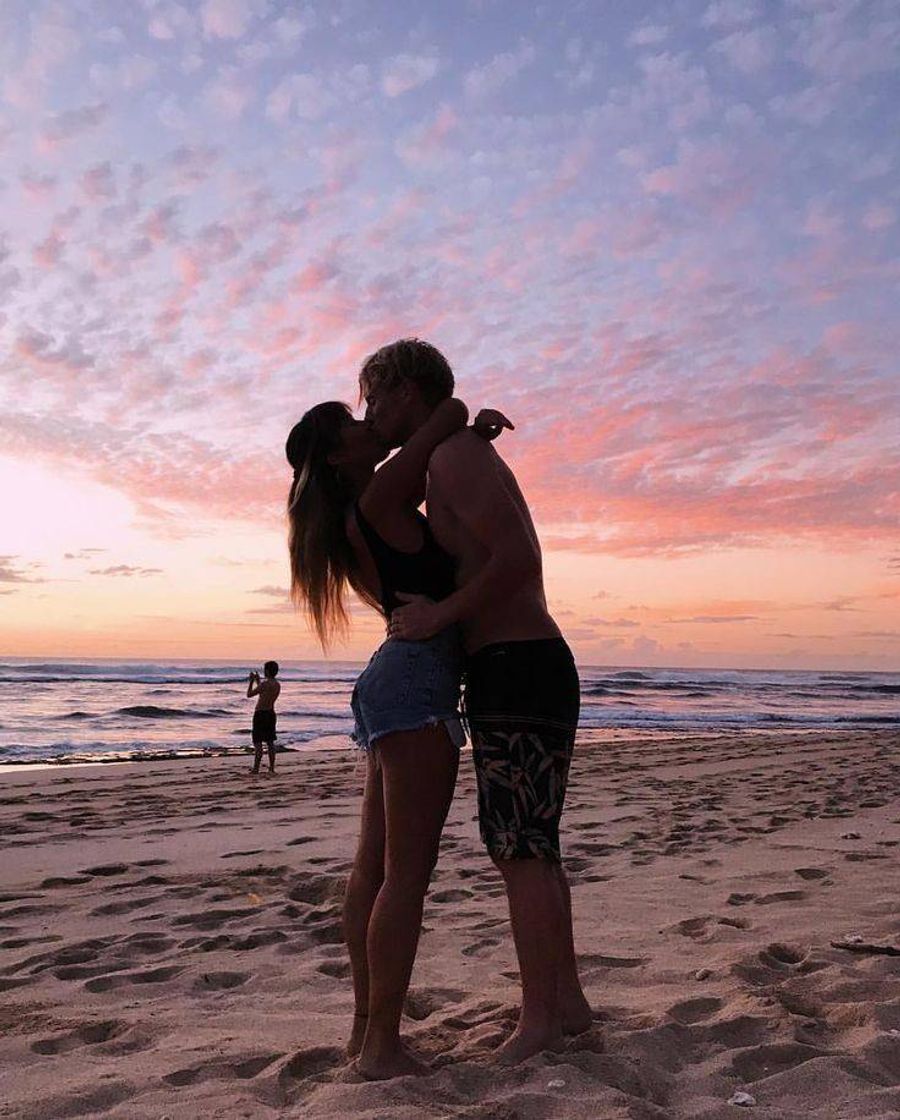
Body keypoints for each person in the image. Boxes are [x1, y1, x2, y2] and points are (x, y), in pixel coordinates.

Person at [362, 338, 591, 1066]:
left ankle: (540, 1021)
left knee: (520, 852)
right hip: (525, 666)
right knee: (534, 849)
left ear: (405, 390)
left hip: (518, 664)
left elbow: (519, 559)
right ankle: (570, 1005)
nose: (371, 413)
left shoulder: (453, 458)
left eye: (376, 397)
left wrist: (439, 615)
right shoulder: (455, 455)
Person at [285, 384, 508, 1080]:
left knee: (374, 870)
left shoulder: (355, 512)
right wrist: (458, 423)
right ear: (335, 455)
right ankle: (382, 1046)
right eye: (354, 422)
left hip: (395, 681)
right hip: (415, 683)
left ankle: (364, 1032)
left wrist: (475, 440)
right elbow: (445, 410)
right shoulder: (376, 495)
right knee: (405, 875)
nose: (367, 424)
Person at [247, 660, 281, 774]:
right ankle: (271, 768)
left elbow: (249, 694)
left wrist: (251, 681)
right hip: (270, 713)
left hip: (260, 714)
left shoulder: (265, 684)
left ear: (267, 671)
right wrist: (258, 681)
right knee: (270, 742)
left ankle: (256, 768)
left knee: (258, 742)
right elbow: (263, 693)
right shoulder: (277, 684)